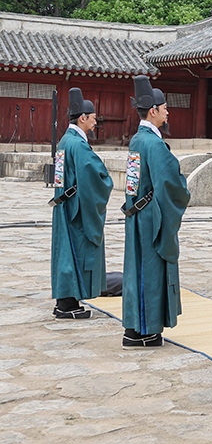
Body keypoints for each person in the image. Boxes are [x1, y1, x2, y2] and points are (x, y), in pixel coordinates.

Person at [121, 75, 191, 347]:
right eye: (164, 108)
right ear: (153, 111)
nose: (168, 112)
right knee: (150, 270)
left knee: (137, 269)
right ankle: (146, 329)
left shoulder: (137, 140)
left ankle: (135, 327)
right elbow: (172, 183)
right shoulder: (153, 143)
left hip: (136, 214)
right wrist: (182, 185)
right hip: (152, 218)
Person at [49, 88, 113, 320]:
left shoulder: (66, 141)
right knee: (74, 252)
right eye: (94, 117)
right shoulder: (78, 144)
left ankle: (65, 302)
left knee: (65, 253)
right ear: (82, 118)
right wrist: (106, 182)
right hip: (75, 210)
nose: (96, 122)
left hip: (64, 205)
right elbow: (97, 176)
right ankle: (67, 305)